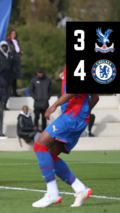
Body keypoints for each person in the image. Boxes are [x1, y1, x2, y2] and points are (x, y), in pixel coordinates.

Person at [32, 66, 99, 208]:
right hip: (78, 118)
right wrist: (84, 114)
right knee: (49, 154)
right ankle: (80, 189)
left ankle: (52, 194)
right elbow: (95, 97)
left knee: (39, 146)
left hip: (72, 116)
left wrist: (55, 105)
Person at [29, 67, 52, 131]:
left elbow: (51, 89)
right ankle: (36, 130)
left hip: (45, 103)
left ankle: (44, 130)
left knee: (44, 118)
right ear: (37, 73)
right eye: (39, 72)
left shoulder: (48, 80)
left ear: (43, 72)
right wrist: (36, 97)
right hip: (37, 103)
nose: (40, 74)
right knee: (36, 117)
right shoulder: (34, 80)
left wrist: (48, 97)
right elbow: (31, 90)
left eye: (41, 72)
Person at [0, 41, 14, 110]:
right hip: (1, 76)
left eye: (5, 46)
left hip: (9, 76)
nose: (4, 47)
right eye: (3, 46)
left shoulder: (10, 54)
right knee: (2, 91)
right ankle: (1, 105)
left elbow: (13, 65)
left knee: (8, 92)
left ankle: (4, 104)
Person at [6, 29, 23, 97]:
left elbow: (16, 50)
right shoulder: (8, 42)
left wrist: (20, 51)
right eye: (12, 33)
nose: (14, 35)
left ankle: (14, 92)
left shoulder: (16, 42)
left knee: (15, 78)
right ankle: (9, 92)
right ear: (10, 34)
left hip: (16, 62)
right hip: (11, 62)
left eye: (15, 34)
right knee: (10, 78)